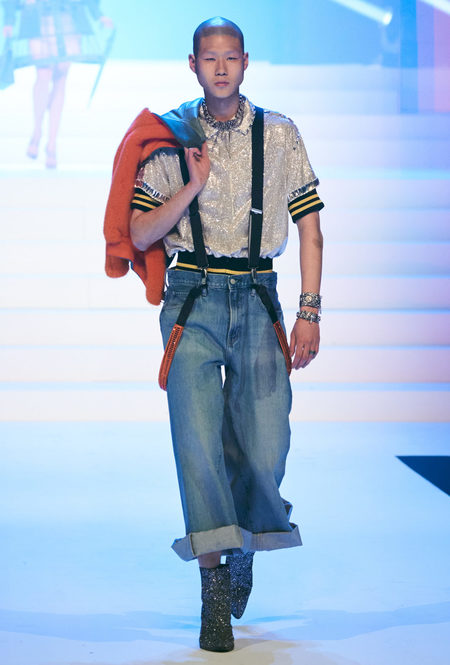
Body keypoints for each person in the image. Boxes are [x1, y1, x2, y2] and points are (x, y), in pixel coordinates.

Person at [104, 16, 324, 653]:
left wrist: (310, 310)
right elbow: (140, 233)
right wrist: (192, 186)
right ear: (193, 64)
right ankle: (214, 592)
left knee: (265, 447)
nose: (221, 67)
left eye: (231, 57)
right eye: (210, 57)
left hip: (258, 296)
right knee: (198, 445)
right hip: (193, 298)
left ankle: (246, 540)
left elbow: (310, 229)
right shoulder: (171, 140)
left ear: (246, 63)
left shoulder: (280, 134)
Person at [2, 0, 113, 168]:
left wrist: (98, 15)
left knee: (61, 77)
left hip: (67, 15)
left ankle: (52, 143)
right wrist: (9, 20)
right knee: (43, 73)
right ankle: (37, 130)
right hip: (37, 16)